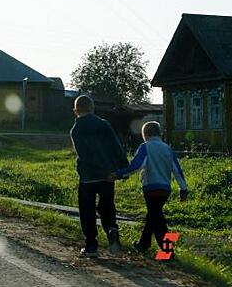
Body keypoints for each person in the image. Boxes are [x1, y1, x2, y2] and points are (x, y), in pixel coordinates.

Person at [109, 121, 188, 254]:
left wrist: (118, 174)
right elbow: (177, 170)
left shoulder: (145, 147)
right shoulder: (167, 148)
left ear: (145, 134)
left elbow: (136, 166)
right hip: (165, 189)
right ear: (159, 133)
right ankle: (143, 244)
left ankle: (168, 252)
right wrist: (183, 188)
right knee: (153, 216)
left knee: (158, 221)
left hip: (151, 188)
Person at [70, 95, 129, 257]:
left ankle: (91, 246)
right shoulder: (104, 124)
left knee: (87, 211)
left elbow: (85, 155)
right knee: (107, 207)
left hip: (88, 178)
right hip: (108, 176)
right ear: (93, 108)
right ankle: (111, 229)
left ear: (75, 111)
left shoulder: (76, 130)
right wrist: (123, 169)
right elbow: (116, 147)